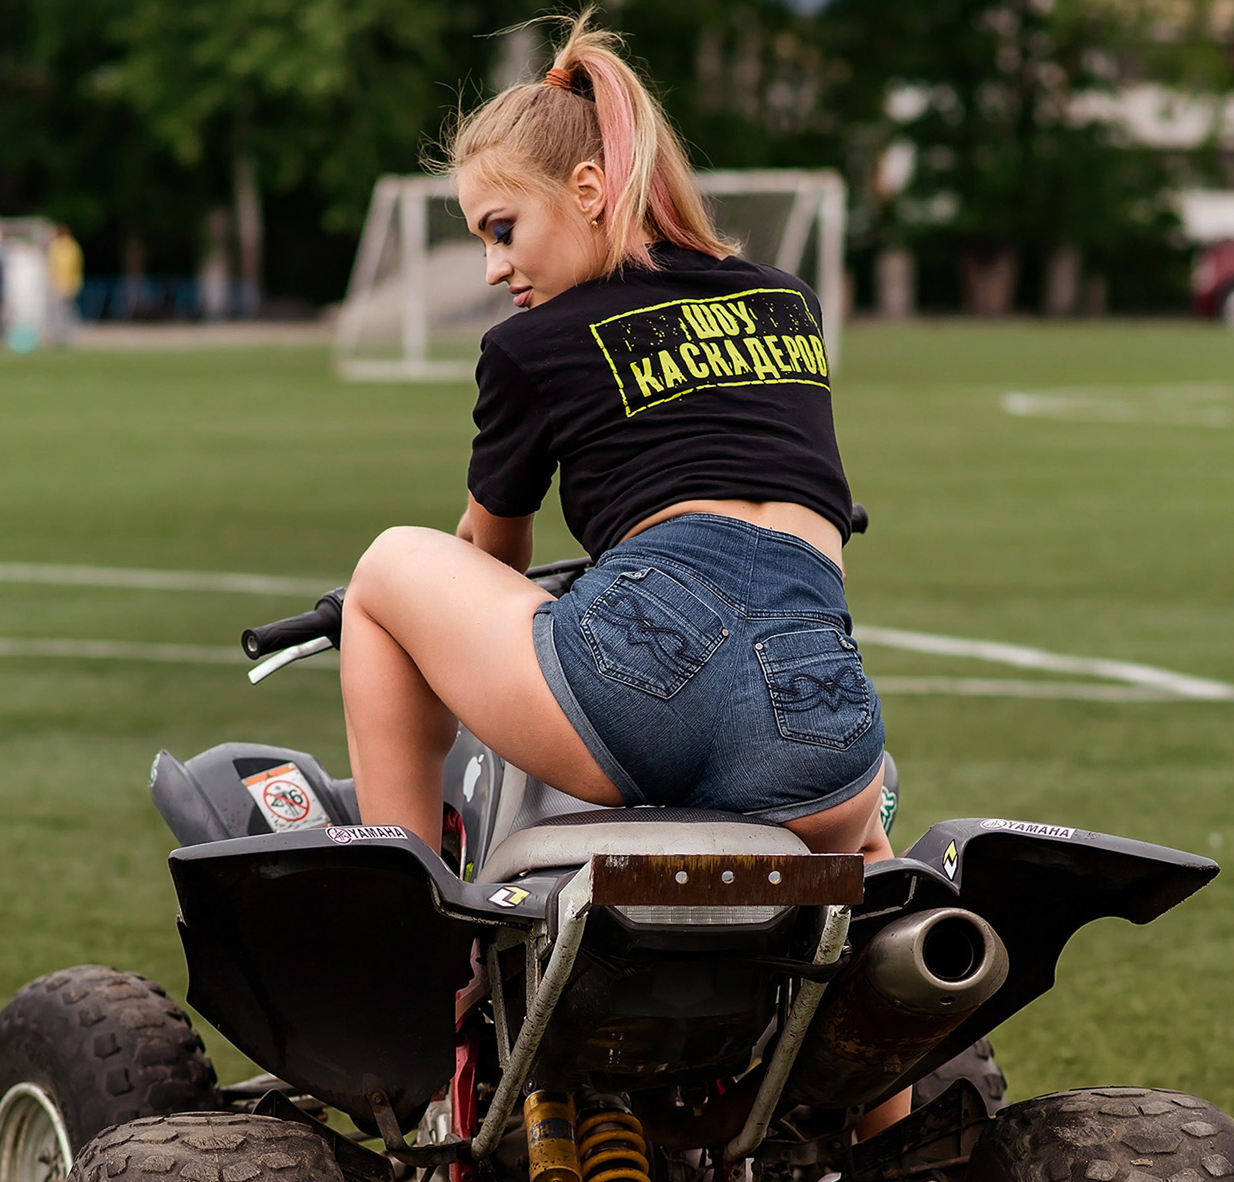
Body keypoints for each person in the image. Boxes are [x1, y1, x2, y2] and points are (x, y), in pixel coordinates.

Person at [339, 11, 889, 866]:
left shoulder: (529, 343)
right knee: (860, 821)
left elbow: (493, 557)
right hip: (821, 705)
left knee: (383, 575)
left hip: (642, 671)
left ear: (590, 189)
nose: (493, 267)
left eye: (501, 229)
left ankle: (407, 907)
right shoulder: (790, 302)